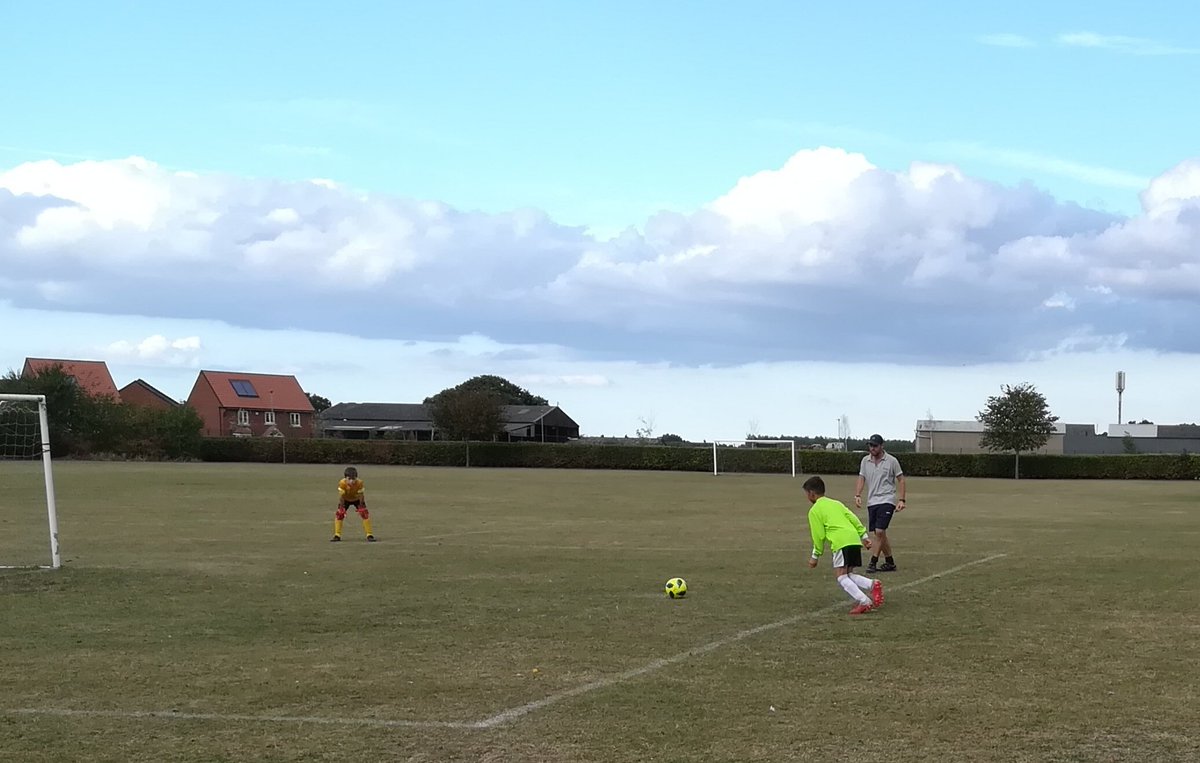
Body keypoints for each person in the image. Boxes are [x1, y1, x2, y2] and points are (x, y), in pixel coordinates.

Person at [803, 475, 884, 615]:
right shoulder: (836, 503)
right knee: (848, 574)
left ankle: (864, 601)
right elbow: (852, 517)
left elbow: (819, 536)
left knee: (841, 576)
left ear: (811, 493)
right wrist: (863, 536)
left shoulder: (815, 511)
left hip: (841, 542)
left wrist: (815, 556)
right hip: (853, 539)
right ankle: (872, 585)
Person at [855, 434, 906, 573]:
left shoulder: (891, 461)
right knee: (880, 534)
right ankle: (890, 562)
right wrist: (858, 495)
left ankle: (873, 562)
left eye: (875, 446)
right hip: (872, 502)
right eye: (870, 445)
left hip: (887, 500)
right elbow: (861, 478)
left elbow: (901, 479)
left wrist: (901, 499)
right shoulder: (865, 461)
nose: (872, 448)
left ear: (881, 446)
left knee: (879, 531)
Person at [331, 466, 376, 542]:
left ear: (356, 478)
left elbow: (361, 495)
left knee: (364, 514)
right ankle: (337, 535)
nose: (352, 481)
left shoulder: (359, 483)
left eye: (354, 479)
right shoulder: (342, 483)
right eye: (349, 479)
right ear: (345, 478)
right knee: (339, 515)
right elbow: (341, 496)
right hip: (345, 499)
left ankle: (369, 535)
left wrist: (361, 506)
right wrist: (341, 507)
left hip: (357, 499)